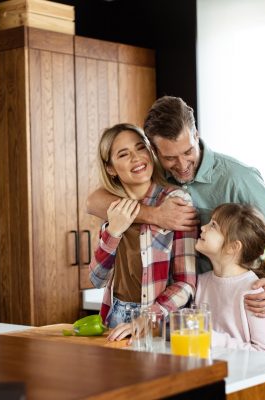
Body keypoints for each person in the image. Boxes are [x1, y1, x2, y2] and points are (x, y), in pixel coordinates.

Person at [87, 96, 265, 317]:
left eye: (188, 151)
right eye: (170, 157)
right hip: (178, 311)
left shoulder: (238, 177)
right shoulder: (153, 173)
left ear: (196, 135)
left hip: (233, 302)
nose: (181, 166)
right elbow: (93, 202)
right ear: (154, 150)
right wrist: (155, 215)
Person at [89, 123, 197, 342]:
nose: (136, 158)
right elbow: (96, 278)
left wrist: (148, 316)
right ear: (111, 168)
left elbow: (186, 282)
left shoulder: (176, 200)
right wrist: (114, 231)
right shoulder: (113, 208)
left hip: (160, 320)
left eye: (140, 148)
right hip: (116, 317)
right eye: (123, 154)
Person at [194, 203, 265, 352]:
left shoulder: (254, 291)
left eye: (213, 225)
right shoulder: (200, 282)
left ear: (233, 247)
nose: (203, 227)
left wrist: (213, 339)